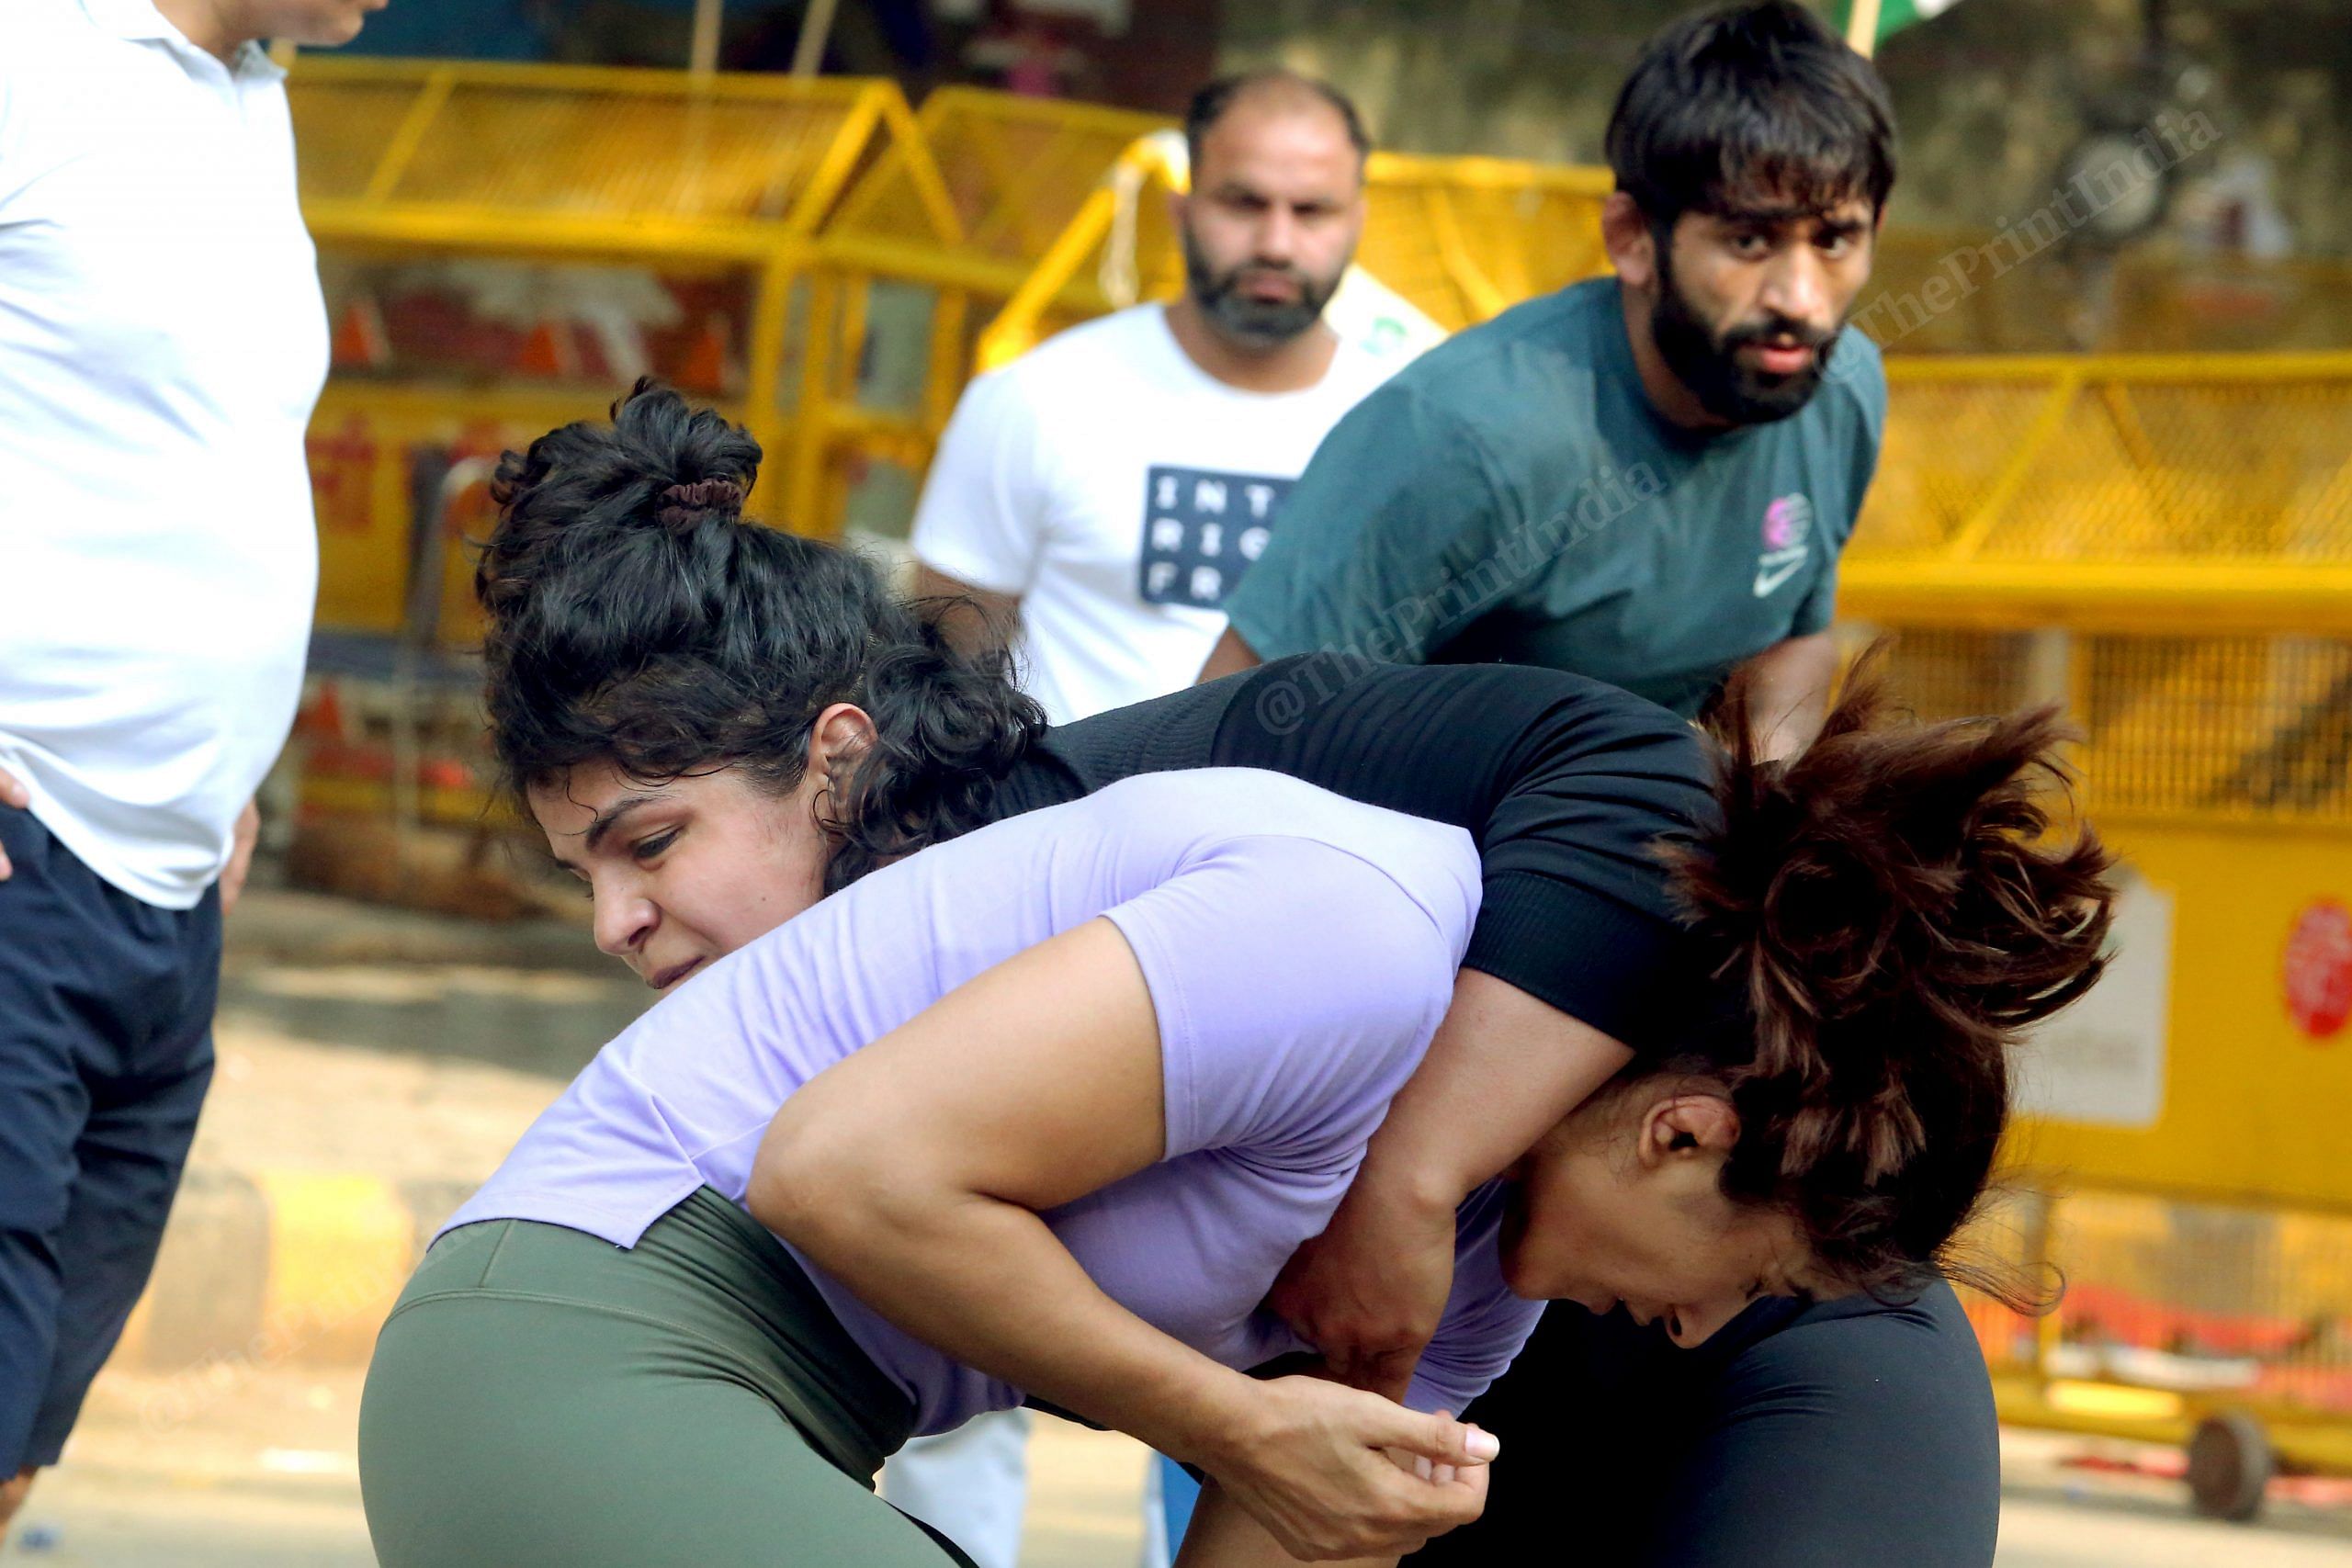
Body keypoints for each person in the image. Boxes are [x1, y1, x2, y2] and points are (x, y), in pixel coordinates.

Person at [368, 389, 2109, 1565]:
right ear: (1680, 1131)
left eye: (646, 846)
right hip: (613, 1329)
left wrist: (1300, 1452)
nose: (1709, 1327)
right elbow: (841, 1170)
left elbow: (1288, 1517)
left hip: (776, 1388)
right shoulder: (1352, 929)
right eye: (1744, 1275)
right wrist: (1230, 1418)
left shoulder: (1471, 1286)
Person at [0, 0, 383, 1538]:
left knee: (25, 1437)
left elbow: (195, 448)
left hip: (170, 889)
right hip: (29, 864)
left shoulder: (248, 93)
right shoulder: (33, 57)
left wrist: (224, 763)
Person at [1200, 0, 1894, 763]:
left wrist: (1760, 810)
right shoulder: (1464, 434)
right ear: (1632, 239)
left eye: (1834, 239)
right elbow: (1229, 731)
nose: (1798, 296)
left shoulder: (1842, 388)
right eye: (1748, 239)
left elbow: (1794, 638)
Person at [911, 68, 1406, 728]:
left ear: (1358, 223)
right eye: (1243, 202)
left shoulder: (1406, 427)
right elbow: (945, 666)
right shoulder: (1038, 397)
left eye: (1311, 210)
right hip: (1060, 818)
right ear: (1182, 210)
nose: (1277, 243)